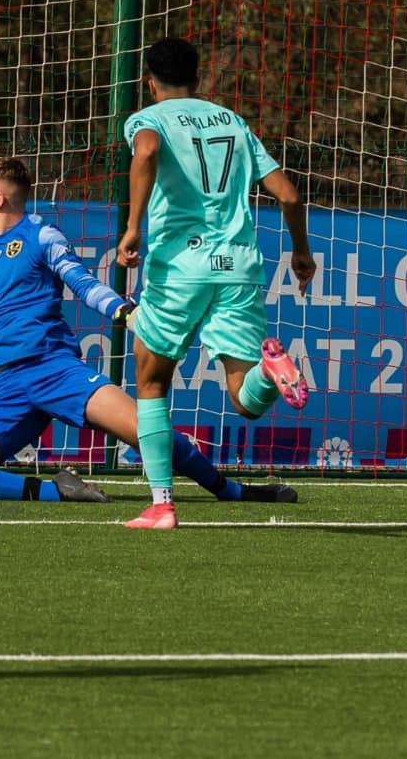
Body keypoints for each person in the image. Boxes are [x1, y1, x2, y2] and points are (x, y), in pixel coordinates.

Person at [0, 157, 296, 507]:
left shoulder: (42, 236)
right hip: (7, 388)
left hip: (55, 370)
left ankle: (231, 491)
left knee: (148, 432)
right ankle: (58, 490)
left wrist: (125, 311)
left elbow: (84, 284)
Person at [116, 36, 317, 531]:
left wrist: (134, 225)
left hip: (179, 267)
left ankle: (162, 505)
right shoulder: (232, 121)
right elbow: (288, 196)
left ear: (150, 81)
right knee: (243, 397)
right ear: (198, 78)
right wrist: (301, 251)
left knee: (151, 380)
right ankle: (271, 373)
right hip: (239, 266)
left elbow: (144, 153)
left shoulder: (149, 119)